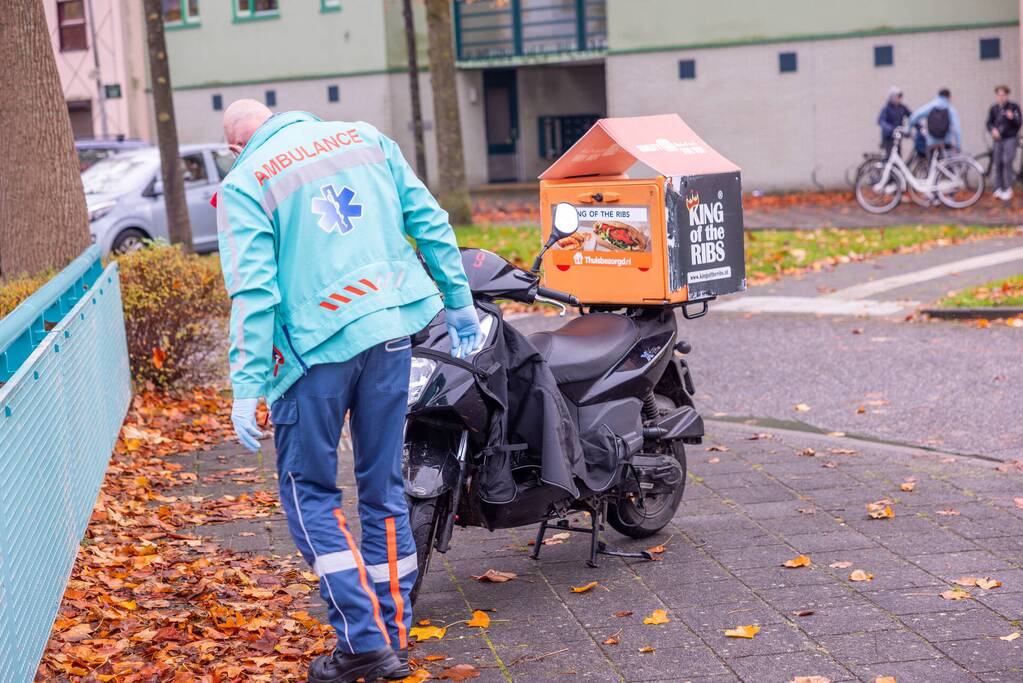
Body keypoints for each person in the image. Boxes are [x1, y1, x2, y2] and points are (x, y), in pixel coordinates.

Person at [217, 99, 480, 683]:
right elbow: (430, 221)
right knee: (383, 489)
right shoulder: (363, 138)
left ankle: (363, 642)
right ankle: (392, 634)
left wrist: (246, 384)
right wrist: (458, 301)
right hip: (389, 334)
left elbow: (255, 293)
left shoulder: (246, 180)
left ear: (235, 147)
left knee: (308, 492)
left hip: (313, 355)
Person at [986, 84, 1022, 201]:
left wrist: (1012, 118)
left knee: (1007, 161)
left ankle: (1008, 189)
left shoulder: (1014, 107)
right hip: (998, 140)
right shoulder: (994, 108)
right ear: (997, 96)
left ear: (1007, 95)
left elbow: (1019, 122)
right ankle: (998, 189)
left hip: (1010, 138)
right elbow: (989, 123)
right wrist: (993, 130)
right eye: (999, 95)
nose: (1001, 97)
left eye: (1003, 95)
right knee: (998, 163)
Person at [909, 88, 962, 152]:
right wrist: (958, 145)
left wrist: (908, 130)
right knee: (947, 160)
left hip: (932, 143)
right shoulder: (950, 108)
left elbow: (914, 117)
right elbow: (957, 128)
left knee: (930, 160)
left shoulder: (931, 106)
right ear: (949, 97)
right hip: (946, 143)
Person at [877, 86, 911, 155]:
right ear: (892, 97)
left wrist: (919, 126)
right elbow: (881, 120)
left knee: (898, 156)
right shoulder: (887, 109)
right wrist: (890, 129)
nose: (899, 99)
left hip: (898, 136)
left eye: (900, 97)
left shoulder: (902, 107)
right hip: (889, 137)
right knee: (890, 156)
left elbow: (912, 116)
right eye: (897, 97)